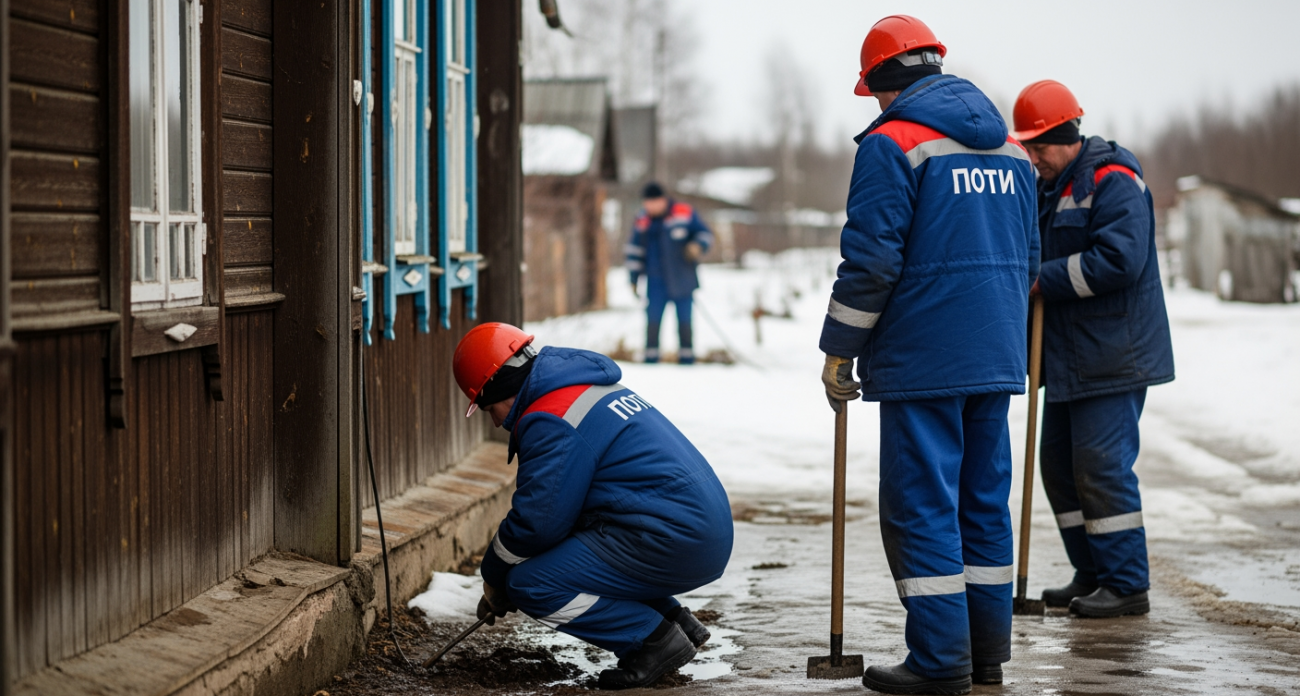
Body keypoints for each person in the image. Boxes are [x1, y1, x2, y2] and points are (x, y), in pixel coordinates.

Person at [819, 15, 1039, 695]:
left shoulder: (893, 143)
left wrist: (839, 349)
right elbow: (1031, 258)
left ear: (883, 82)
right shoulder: (1010, 147)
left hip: (924, 358)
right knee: (981, 502)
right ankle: (985, 655)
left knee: (923, 505)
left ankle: (941, 661)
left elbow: (872, 261)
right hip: (995, 352)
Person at [452, 322, 734, 690]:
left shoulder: (551, 416)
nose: (496, 421)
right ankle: (674, 621)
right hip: (699, 528)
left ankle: (651, 641)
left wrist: (495, 576)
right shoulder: (585, 387)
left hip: (676, 536)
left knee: (532, 584)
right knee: (582, 543)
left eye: (490, 406)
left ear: (501, 385)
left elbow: (538, 523)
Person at [1011, 80, 1174, 618]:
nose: (1033, 157)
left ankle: (1127, 585)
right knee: (1058, 466)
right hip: (1069, 359)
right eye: (1028, 147)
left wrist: (1043, 280)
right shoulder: (1047, 188)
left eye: (1039, 147)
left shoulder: (1114, 180)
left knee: (1101, 466)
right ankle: (1093, 570)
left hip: (1114, 354)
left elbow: (1120, 262)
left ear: (1066, 136)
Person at [625, 182, 713, 364]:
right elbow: (635, 251)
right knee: (653, 319)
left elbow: (705, 234)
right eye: (647, 203)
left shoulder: (683, 212)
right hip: (655, 281)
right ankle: (651, 359)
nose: (650, 206)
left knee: (684, 320)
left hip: (683, 278)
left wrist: (697, 246)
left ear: (663, 200)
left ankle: (687, 359)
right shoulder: (642, 220)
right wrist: (633, 278)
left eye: (654, 202)